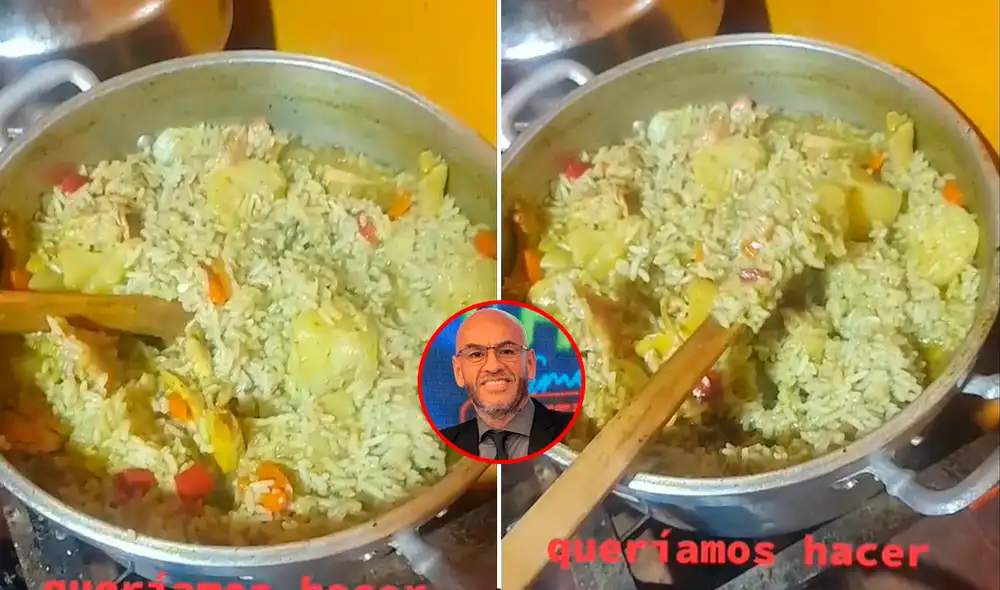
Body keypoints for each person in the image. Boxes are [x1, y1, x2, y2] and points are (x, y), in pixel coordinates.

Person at [439, 308, 574, 460]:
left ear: (530, 364)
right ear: (458, 372)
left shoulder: (573, 429)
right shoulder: (446, 445)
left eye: (507, 352)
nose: (493, 366)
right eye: (476, 354)